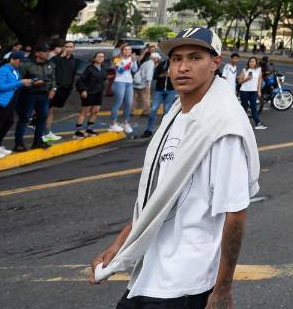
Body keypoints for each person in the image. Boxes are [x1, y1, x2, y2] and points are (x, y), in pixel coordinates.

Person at [89, 27, 260, 308]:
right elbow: (159, 196)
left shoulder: (222, 128)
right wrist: (119, 245)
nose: (183, 67)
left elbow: (235, 214)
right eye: (177, 58)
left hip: (186, 282)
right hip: (150, 272)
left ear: (215, 63)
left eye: (195, 58)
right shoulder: (176, 116)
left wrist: (223, 289)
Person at [0, 51, 32, 159]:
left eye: (22, 61)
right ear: (12, 59)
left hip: (10, 100)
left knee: (8, 123)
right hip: (1, 101)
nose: (21, 63)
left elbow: (13, 85)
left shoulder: (14, 70)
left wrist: (27, 83)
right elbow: (0, 87)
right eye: (19, 60)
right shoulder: (3, 70)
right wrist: (20, 83)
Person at [16, 46, 57, 151]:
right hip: (29, 94)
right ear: (37, 53)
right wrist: (33, 83)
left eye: (48, 51)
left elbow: (53, 79)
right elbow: (19, 80)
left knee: (42, 117)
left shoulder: (50, 65)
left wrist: (54, 89)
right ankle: (19, 143)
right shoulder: (27, 65)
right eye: (44, 52)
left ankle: (38, 142)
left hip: (44, 95)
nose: (47, 54)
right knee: (25, 118)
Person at [46, 39, 79, 143]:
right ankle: (45, 132)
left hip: (66, 88)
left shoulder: (73, 59)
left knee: (53, 110)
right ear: (63, 48)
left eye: (71, 47)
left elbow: (73, 73)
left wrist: (71, 86)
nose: (68, 48)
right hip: (55, 88)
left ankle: (47, 131)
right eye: (67, 46)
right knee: (48, 110)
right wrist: (61, 57)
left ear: (73, 48)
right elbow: (51, 71)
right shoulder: (55, 59)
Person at [75, 51, 107, 137]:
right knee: (85, 111)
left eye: (102, 57)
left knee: (95, 111)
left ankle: (89, 129)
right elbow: (80, 80)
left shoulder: (103, 68)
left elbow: (104, 78)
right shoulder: (89, 69)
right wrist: (82, 90)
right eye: (99, 56)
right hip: (89, 92)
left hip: (98, 92)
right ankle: (78, 131)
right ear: (94, 58)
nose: (100, 58)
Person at [110, 45, 138, 133]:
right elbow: (120, 71)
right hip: (119, 82)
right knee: (118, 102)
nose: (127, 51)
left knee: (129, 103)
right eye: (125, 49)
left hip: (129, 82)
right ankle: (113, 124)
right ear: (122, 51)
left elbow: (135, 70)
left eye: (129, 49)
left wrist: (134, 62)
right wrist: (130, 62)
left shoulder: (132, 59)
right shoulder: (117, 59)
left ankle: (125, 123)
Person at [236, 57, 266, 130]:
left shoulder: (259, 70)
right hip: (244, 91)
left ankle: (257, 123)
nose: (251, 63)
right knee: (244, 108)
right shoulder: (245, 70)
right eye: (250, 61)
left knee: (254, 108)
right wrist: (247, 79)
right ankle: (241, 124)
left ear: (256, 62)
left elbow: (259, 81)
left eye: (253, 61)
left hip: (253, 92)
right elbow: (239, 81)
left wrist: (259, 91)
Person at [132, 50, 155, 118]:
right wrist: (148, 83)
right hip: (144, 84)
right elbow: (149, 73)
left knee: (134, 98)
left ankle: (131, 111)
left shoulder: (141, 62)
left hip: (136, 82)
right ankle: (146, 111)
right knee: (146, 98)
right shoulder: (150, 63)